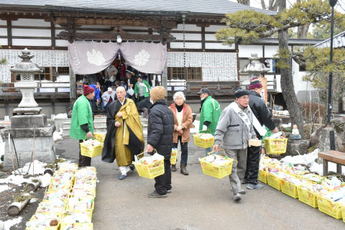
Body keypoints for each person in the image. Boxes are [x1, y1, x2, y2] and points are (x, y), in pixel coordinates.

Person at [213, 89, 257, 203]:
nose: (246, 100)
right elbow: (220, 127)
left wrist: (254, 138)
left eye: (247, 97)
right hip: (230, 145)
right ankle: (236, 190)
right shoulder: (229, 110)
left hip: (243, 144)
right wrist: (217, 141)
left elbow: (250, 127)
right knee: (232, 167)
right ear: (237, 99)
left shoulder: (248, 111)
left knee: (242, 166)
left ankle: (239, 184)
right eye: (243, 98)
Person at [102, 86, 144, 180]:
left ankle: (129, 165)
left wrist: (124, 115)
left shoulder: (130, 103)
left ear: (125, 93)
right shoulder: (112, 105)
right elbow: (109, 120)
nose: (119, 94)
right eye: (117, 93)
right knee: (120, 149)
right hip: (118, 131)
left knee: (130, 149)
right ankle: (123, 171)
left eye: (121, 92)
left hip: (131, 130)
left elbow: (135, 116)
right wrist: (114, 123)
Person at [245, 78, 279, 190]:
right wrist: (274, 129)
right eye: (260, 88)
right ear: (256, 88)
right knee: (254, 156)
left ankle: (245, 178)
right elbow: (266, 118)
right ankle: (252, 181)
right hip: (255, 133)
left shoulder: (243, 99)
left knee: (245, 155)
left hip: (243, 133)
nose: (261, 91)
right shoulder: (258, 101)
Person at [146, 86, 174, 198]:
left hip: (160, 143)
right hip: (167, 142)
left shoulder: (155, 110)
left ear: (154, 96)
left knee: (158, 165)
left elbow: (157, 129)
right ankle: (167, 186)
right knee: (166, 164)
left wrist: (151, 144)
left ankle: (160, 190)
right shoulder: (167, 109)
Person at [69, 85, 95, 167]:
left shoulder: (83, 100)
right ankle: (85, 169)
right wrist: (87, 130)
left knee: (84, 150)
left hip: (83, 129)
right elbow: (82, 118)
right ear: (89, 93)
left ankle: (83, 167)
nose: (94, 95)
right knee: (85, 151)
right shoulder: (83, 102)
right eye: (93, 93)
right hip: (83, 130)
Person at [169, 92, 193, 175]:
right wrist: (176, 127)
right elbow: (168, 120)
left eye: (180, 98)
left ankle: (183, 167)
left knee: (184, 150)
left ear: (184, 99)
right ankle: (173, 164)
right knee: (173, 149)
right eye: (177, 99)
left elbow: (190, 119)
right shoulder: (170, 108)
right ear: (174, 100)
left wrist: (182, 126)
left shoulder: (188, 108)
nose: (179, 100)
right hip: (174, 132)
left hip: (184, 132)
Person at [198, 88, 221, 153]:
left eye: (201, 94)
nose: (200, 96)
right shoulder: (214, 101)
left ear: (206, 94)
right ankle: (216, 160)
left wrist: (205, 126)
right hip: (217, 127)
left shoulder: (207, 102)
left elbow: (208, 115)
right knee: (216, 146)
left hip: (210, 128)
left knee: (208, 148)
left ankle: (210, 161)